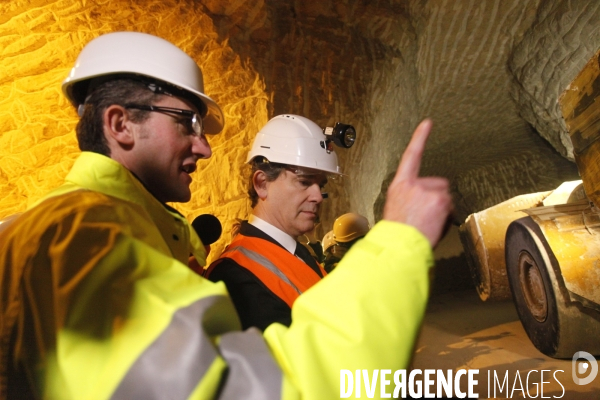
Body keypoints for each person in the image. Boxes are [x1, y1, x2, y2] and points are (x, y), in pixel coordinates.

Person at [0, 30, 453, 400]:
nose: (205, 146)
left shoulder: (95, 231)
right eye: (186, 123)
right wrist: (397, 245)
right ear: (120, 124)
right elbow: (241, 389)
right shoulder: (83, 236)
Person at [204, 114, 338, 331]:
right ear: (262, 183)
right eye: (304, 181)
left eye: (320, 185)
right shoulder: (233, 276)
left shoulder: (297, 253)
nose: (317, 196)